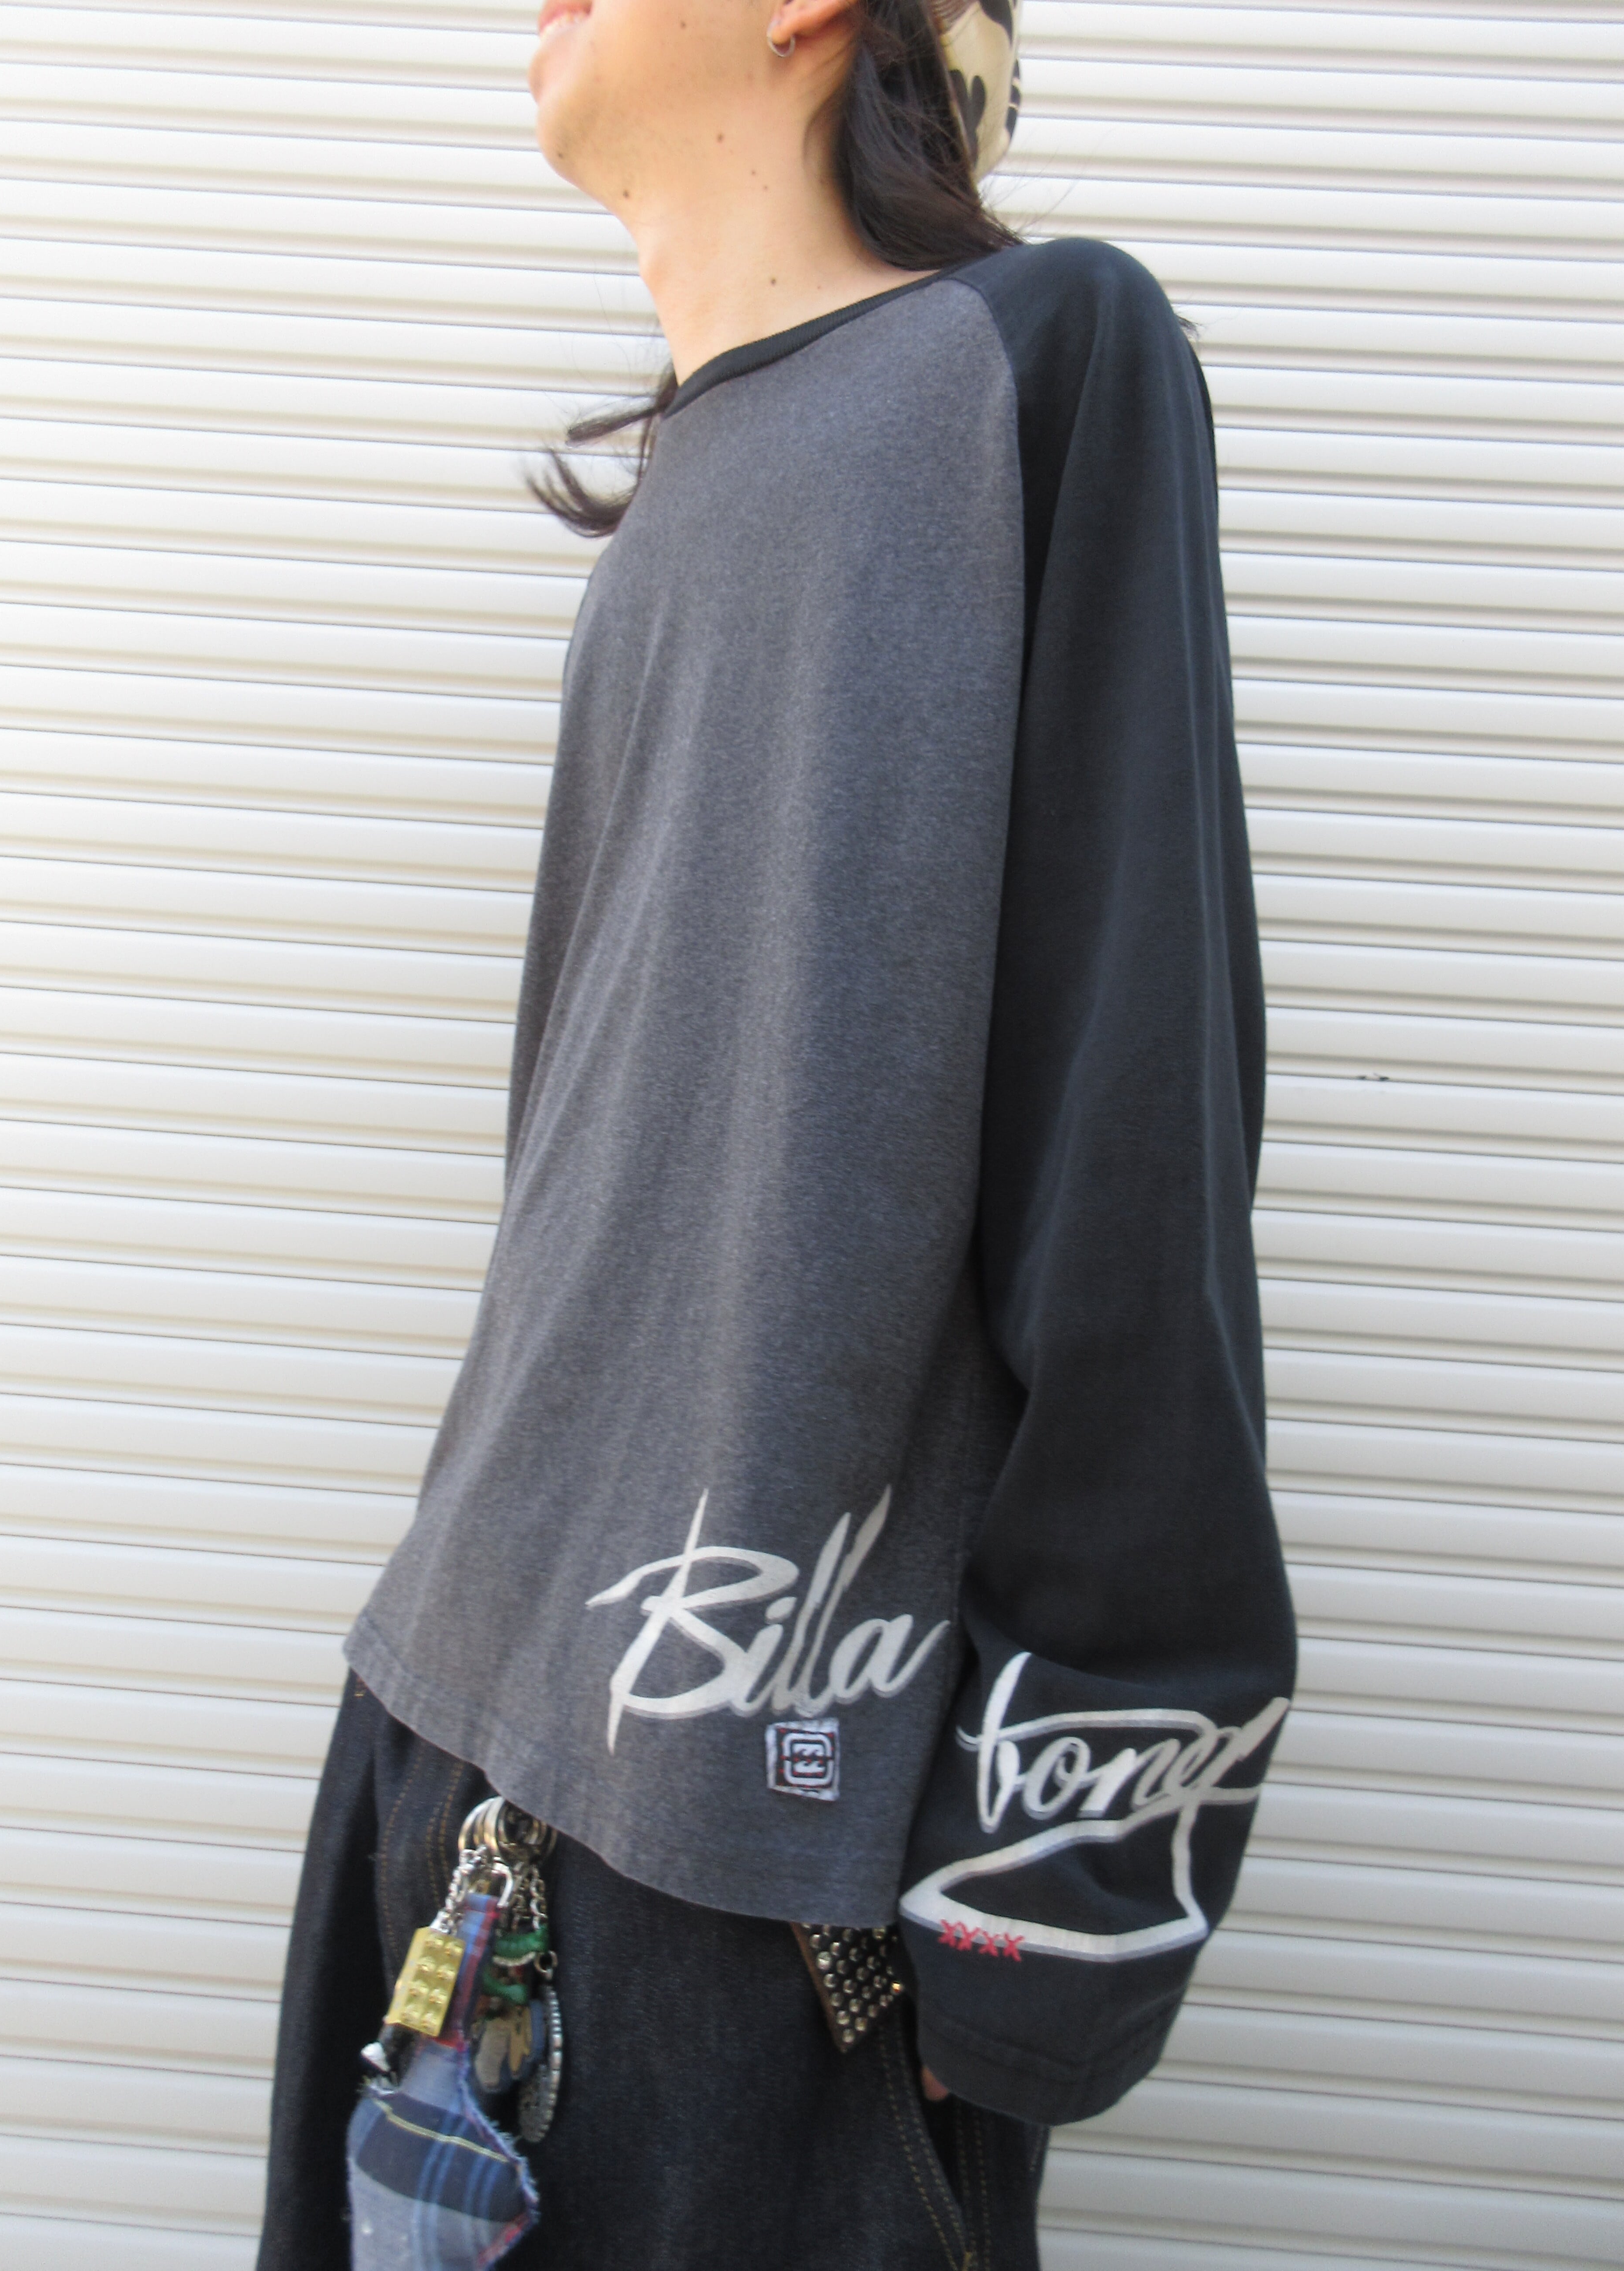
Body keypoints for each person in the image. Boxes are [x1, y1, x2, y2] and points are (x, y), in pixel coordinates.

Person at [255, 0, 1299, 2260]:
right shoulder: (673, 506)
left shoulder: (1038, 362)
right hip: (447, 1757)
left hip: (751, 1885)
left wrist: (1054, 1894)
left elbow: (1138, 1140)